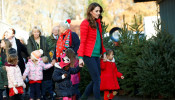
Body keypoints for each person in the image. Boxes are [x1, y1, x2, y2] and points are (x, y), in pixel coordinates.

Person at [78, 2, 106, 100]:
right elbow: (83, 42)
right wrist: (80, 58)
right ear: (90, 12)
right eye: (96, 11)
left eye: (99, 11)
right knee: (97, 79)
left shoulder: (97, 22)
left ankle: (82, 98)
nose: (98, 13)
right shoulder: (85, 23)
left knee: (95, 80)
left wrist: (103, 53)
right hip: (88, 56)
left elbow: (100, 39)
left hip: (96, 55)